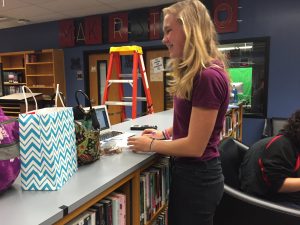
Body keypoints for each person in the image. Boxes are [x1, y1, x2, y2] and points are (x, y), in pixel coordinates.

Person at [127, 0, 230, 224]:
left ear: (189, 29)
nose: (164, 39)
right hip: (192, 175)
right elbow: (191, 121)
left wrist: (151, 146)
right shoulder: (198, 74)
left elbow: (194, 146)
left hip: (198, 179)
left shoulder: (208, 77)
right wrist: (163, 134)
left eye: (168, 30)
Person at [240, 110, 300, 209]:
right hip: (266, 200)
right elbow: (277, 184)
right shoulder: (282, 146)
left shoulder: (294, 142)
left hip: (281, 195)